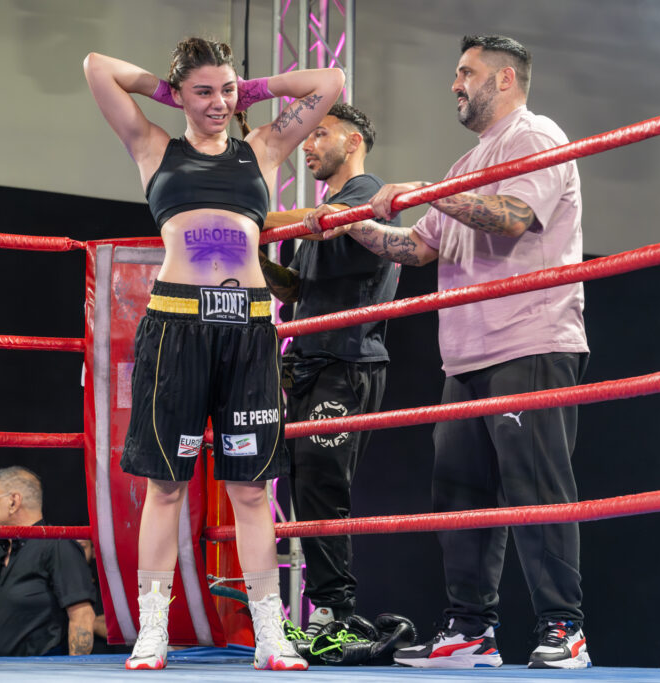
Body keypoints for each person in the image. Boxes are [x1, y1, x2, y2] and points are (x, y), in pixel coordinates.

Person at [305, 35, 590, 669]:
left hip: (531, 338)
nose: (456, 83)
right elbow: (419, 247)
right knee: (459, 492)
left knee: (536, 487)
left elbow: (512, 214)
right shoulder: (466, 163)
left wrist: (427, 190)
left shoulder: (535, 137)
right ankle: (470, 630)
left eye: (467, 72)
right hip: (466, 354)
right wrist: (351, 223)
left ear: (506, 79)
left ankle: (564, 628)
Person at [83, 37, 344, 671]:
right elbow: (97, 68)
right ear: (180, 96)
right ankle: (152, 629)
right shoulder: (154, 146)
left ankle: (270, 633)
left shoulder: (263, 149)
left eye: (227, 89)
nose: (219, 102)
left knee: (251, 492)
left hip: (249, 328)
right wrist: (163, 90)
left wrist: (254, 89)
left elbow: (329, 82)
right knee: (166, 486)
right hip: (177, 326)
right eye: (204, 91)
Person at [257, 103, 400, 637]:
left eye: (320, 133)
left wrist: (243, 218)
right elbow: (294, 288)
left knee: (322, 484)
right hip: (308, 359)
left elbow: (317, 232)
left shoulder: (366, 195)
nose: (309, 145)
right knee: (302, 486)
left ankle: (335, 612)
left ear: (354, 140)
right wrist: (255, 255)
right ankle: (326, 610)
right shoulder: (324, 210)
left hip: (348, 359)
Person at [0, 466, 96, 657]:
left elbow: (81, 615)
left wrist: (78, 674)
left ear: (13, 502)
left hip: (39, 675)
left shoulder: (57, 546)